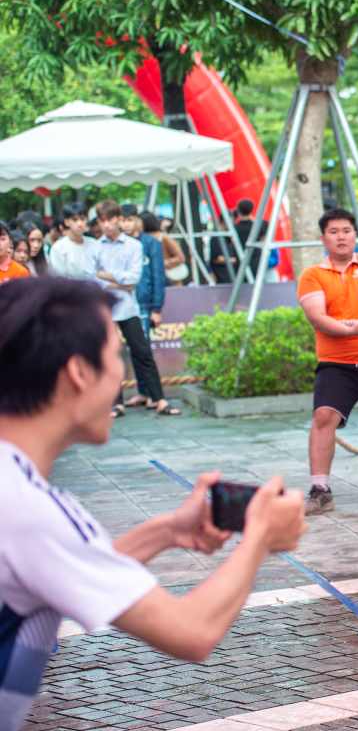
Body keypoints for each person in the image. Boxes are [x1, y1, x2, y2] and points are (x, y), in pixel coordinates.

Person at [0, 277, 306, 731]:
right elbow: (190, 632)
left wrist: (167, 531)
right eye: (115, 359)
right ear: (78, 372)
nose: (121, 378)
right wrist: (259, 535)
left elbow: (60, 570)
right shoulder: (28, 506)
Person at [297, 208, 358, 515]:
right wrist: (357, 327)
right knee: (324, 416)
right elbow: (320, 319)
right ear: (323, 238)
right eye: (334, 231)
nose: (341, 237)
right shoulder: (313, 275)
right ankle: (320, 489)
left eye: (347, 230)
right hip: (336, 364)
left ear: (355, 234)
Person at [94, 201, 179, 418]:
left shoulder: (134, 245)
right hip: (105, 308)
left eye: (110, 219)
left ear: (118, 220)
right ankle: (116, 403)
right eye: (102, 221)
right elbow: (94, 278)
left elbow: (133, 279)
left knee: (142, 352)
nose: (106, 225)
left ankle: (159, 399)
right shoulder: (96, 247)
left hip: (128, 307)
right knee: (111, 355)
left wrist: (107, 277)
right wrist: (117, 281)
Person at [120, 205, 166, 340]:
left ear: (137, 220)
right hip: (120, 303)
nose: (126, 224)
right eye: (123, 220)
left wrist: (157, 309)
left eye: (130, 220)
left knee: (142, 348)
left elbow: (158, 276)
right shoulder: (115, 244)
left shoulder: (151, 243)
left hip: (143, 303)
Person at [47, 203, 99, 280]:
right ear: (67, 222)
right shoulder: (58, 248)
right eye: (75, 220)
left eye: (83, 219)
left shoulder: (94, 244)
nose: (80, 224)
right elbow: (59, 278)